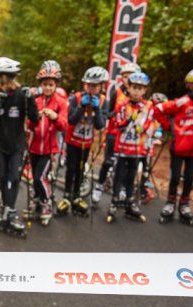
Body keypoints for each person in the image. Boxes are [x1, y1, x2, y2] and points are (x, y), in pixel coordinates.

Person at [156, 68, 193, 226]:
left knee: (189, 178)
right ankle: (170, 203)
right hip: (179, 147)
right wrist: (167, 126)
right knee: (175, 177)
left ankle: (184, 204)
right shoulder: (182, 102)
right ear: (191, 86)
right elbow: (158, 109)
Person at [0, 56, 39, 234]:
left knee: (14, 178)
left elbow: (34, 118)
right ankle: (6, 210)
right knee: (2, 176)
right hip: (2, 144)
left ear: (4, 77)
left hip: (17, 145)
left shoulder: (21, 94)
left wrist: (31, 100)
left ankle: (10, 210)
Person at [57, 66, 107, 217]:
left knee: (80, 168)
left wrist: (97, 109)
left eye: (95, 86)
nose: (92, 89)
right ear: (85, 85)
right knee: (71, 167)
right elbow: (71, 120)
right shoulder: (76, 98)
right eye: (89, 85)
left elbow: (100, 125)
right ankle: (67, 195)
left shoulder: (103, 101)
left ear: (101, 86)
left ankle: (77, 195)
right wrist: (81, 107)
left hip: (86, 142)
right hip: (72, 140)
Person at [106, 72, 154, 223]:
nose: (136, 92)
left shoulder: (148, 106)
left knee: (132, 176)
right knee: (119, 174)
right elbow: (117, 124)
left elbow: (150, 122)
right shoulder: (122, 105)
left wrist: (143, 128)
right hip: (122, 146)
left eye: (140, 88)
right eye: (134, 88)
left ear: (145, 90)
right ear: (129, 88)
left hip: (136, 148)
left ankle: (129, 202)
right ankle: (114, 201)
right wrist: (128, 121)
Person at [25, 60, 67, 225]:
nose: (48, 87)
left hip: (50, 149)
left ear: (56, 85)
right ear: (40, 84)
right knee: (34, 177)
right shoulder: (35, 101)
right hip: (34, 147)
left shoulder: (60, 102)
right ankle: (36, 199)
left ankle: (46, 203)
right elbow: (30, 125)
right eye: (45, 84)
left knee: (40, 177)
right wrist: (34, 118)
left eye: (51, 84)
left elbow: (63, 125)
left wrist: (54, 116)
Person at [92, 62, 140, 204]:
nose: (127, 80)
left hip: (130, 136)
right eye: (124, 77)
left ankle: (123, 188)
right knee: (108, 161)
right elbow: (107, 113)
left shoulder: (139, 96)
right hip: (114, 133)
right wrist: (117, 113)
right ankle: (99, 185)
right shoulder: (117, 93)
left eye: (130, 76)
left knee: (127, 165)